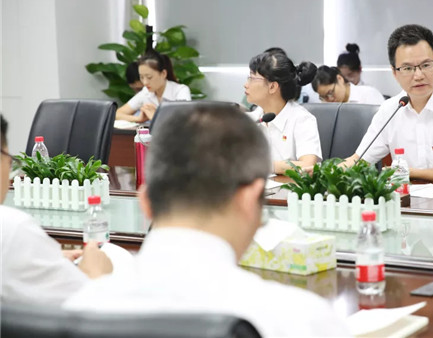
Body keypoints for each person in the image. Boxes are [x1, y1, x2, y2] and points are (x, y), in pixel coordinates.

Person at [64, 105, 349, 337]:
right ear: (250, 200)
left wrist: (97, 287)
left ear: (146, 202)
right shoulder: (301, 320)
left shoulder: (81, 309)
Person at [342, 25, 433, 185]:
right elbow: (358, 161)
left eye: (426, 65)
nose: (418, 76)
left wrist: (410, 173)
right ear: (394, 72)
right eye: (407, 68)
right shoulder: (390, 109)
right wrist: (326, 174)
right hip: (412, 197)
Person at [0, 114, 112, 305]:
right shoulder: (12, 228)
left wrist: (44, 259)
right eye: (10, 161)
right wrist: (98, 274)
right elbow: (91, 305)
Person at [244, 50, 322, 174]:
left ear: (272, 87)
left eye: (252, 78)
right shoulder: (251, 120)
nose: (246, 85)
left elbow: (308, 165)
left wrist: (265, 165)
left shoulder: (302, 119)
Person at [115, 50, 191, 123]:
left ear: (163, 74)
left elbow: (185, 119)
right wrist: (138, 119)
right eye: (141, 77)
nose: (145, 82)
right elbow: (117, 114)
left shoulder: (180, 90)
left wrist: (156, 116)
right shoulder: (146, 92)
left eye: (149, 77)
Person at [312, 66, 385, 105]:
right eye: (324, 97)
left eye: (330, 93)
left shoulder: (369, 95)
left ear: (340, 79)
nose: (330, 99)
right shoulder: (327, 107)